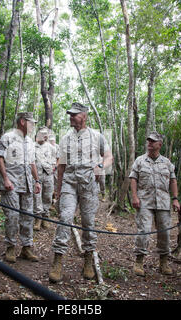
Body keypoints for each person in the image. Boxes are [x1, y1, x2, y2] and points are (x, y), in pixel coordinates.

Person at [49, 102, 113, 283]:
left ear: (84, 116)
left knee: (88, 223)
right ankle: (58, 260)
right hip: (69, 182)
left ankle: (88, 260)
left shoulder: (97, 136)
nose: (70, 117)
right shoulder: (66, 138)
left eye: (74, 114)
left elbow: (109, 157)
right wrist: (58, 191)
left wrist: (101, 165)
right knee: (65, 217)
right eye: (69, 114)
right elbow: (61, 166)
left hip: (89, 184)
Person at [129, 131, 180, 276]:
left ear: (160, 144)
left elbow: (173, 180)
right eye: (148, 141)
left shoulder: (167, 163)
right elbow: (133, 179)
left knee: (164, 232)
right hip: (144, 201)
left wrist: (175, 198)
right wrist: (134, 197)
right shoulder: (140, 160)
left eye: (153, 141)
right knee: (144, 231)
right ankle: (139, 261)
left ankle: (164, 262)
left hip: (163, 202)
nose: (149, 143)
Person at [0, 112, 41, 263]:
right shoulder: (7, 137)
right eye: (31, 122)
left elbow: (32, 163)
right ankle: (10, 247)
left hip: (27, 185)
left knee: (28, 216)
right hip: (11, 184)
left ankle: (26, 248)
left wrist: (37, 180)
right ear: (22, 122)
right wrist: (5, 179)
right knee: (12, 217)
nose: (33, 125)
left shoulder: (30, 141)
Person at [33, 127, 57, 231]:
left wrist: (53, 167)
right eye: (43, 134)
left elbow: (57, 158)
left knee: (47, 196)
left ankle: (45, 217)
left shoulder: (51, 147)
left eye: (46, 134)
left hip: (48, 175)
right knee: (37, 197)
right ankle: (38, 219)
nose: (45, 136)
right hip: (36, 175)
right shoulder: (32, 146)